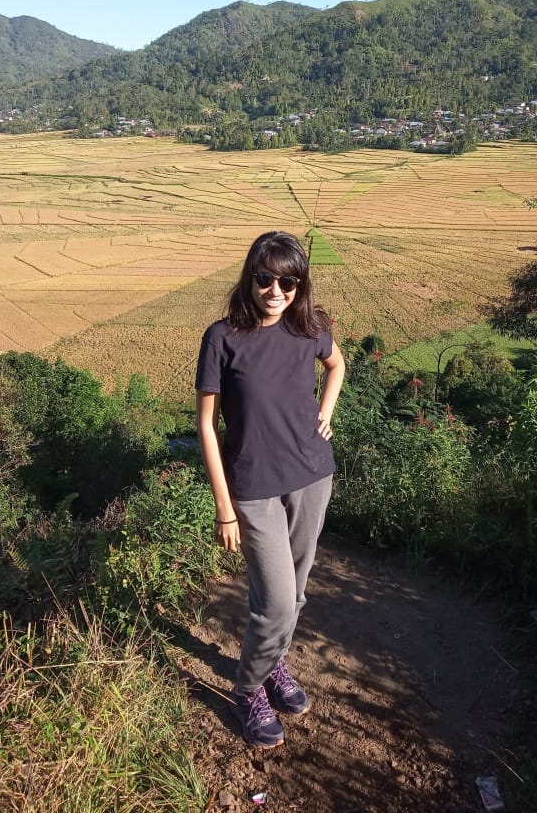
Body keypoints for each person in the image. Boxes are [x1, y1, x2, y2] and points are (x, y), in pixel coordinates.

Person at [195, 230, 346, 748]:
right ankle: (248, 687)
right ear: (250, 279)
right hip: (254, 488)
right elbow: (207, 426)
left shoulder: (310, 327)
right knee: (277, 601)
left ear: (299, 284)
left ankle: (275, 663)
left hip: (312, 475)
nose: (276, 290)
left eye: (288, 280)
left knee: (296, 594)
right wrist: (224, 508)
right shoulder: (223, 337)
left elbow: (336, 364)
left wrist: (325, 412)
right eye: (265, 278)